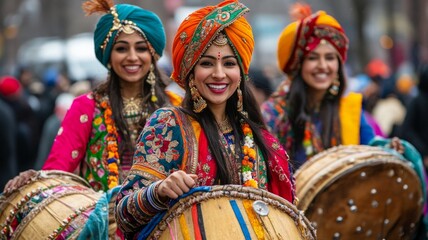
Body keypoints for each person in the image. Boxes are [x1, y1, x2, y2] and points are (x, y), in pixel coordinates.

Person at [115, 1, 295, 238]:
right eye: (207, 63)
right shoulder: (169, 125)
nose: (219, 74)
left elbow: (286, 219)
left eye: (229, 63)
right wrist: (159, 191)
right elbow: (123, 215)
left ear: (241, 74)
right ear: (190, 71)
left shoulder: (261, 140)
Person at [3, 0, 181, 238]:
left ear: (153, 53)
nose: (132, 57)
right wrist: (37, 181)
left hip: (167, 225)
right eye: (121, 48)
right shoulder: (87, 107)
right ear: (108, 54)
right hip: (105, 226)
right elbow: (58, 170)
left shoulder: (176, 108)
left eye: (140, 48)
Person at [261, 10, 376, 169]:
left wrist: (392, 148)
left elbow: (373, 152)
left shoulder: (350, 110)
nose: (322, 66)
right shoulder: (273, 115)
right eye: (313, 58)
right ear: (298, 65)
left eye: (329, 58)